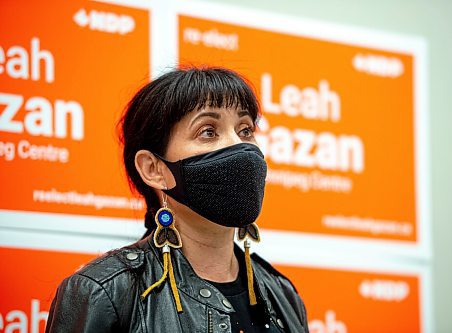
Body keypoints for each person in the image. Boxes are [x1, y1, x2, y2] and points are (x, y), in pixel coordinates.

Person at [45, 67, 309, 333]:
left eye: (245, 130)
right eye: (208, 131)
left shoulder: (283, 295)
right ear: (153, 169)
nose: (238, 146)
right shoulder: (103, 292)